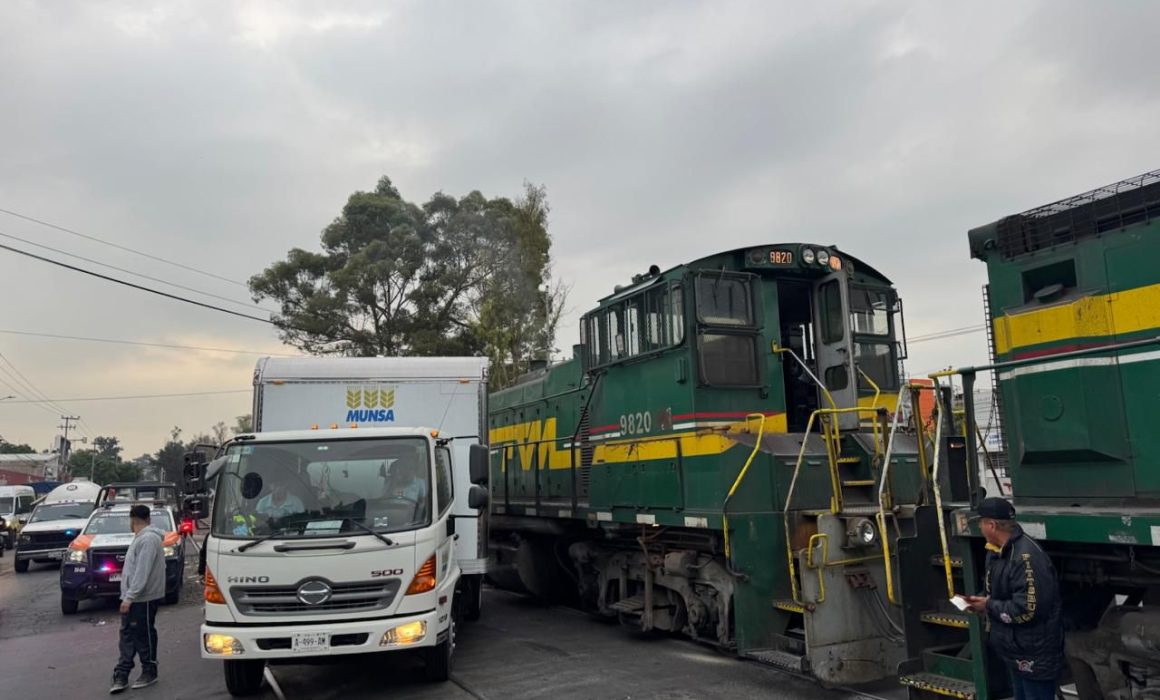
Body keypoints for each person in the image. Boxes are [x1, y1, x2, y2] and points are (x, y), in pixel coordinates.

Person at [964, 497, 1064, 700]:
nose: (980, 528)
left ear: (991, 525)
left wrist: (989, 606)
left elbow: (1028, 609)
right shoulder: (996, 553)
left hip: (1034, 653)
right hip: (1016, 651)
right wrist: (981, 601)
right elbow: (998, 591)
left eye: (981, 523)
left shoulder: (1025, 557)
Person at [110, 505, 166, 694]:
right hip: (134, 597)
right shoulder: (141, 538)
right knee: (127, 634)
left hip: (144, 598)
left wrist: (130, 597)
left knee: (143, 634)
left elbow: (142, 572)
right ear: (148, 518)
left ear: (132, 520)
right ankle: (122, 673)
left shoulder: (148, 539)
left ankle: (149, 670)